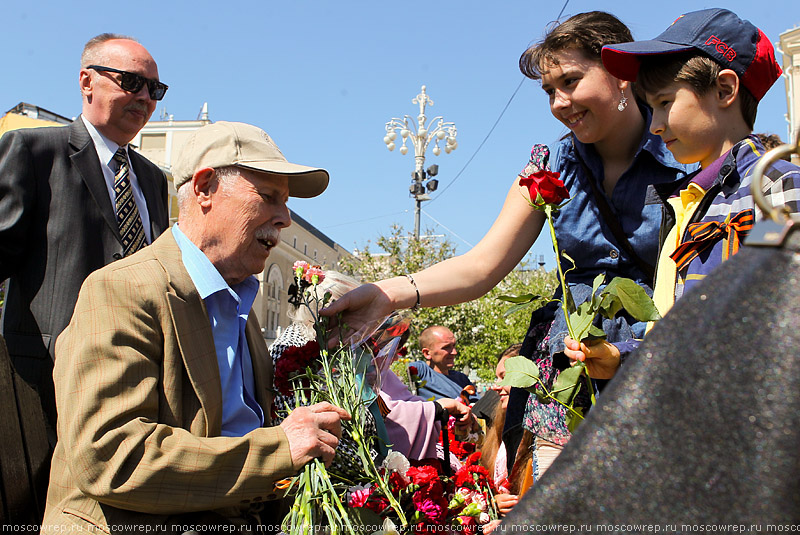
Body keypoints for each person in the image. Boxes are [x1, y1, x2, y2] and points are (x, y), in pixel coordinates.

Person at [323, 11, 692, 482]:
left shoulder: (681, 149)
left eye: (571, 81)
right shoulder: (550, 166)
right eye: (548, 92)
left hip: (657, 357)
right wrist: (387, 293)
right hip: (568, 370)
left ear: (621, 73)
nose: (560, 103)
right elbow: (482, 265)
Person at [41, 121, 350, 531]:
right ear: (204, 189)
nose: (285, 219)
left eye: (286, 203)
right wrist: (279, 449)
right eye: (269, 197)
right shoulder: (123, 289)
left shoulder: (240, 307)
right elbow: (112, 457)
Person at [564, 8, 800, 378]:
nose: (655, 125)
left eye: (665, 103)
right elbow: (684, 332)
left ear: (724, 90)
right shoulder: (685, 202)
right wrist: (622, 356)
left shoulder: (775, 183)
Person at [0, 32, 170, 518]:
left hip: (136, 376)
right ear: (87, 82)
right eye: (132, 82)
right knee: (29, 510)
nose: (144, 98)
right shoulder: (33, 151)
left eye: (155, 91)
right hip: (43, 377)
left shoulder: (154, 181)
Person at [413, 325, 479, 403]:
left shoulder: (461, 379)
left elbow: (479, 407)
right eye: (446, 347)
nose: (454, 352)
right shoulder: (420, 371)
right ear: (427, 353)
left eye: (454, 345)